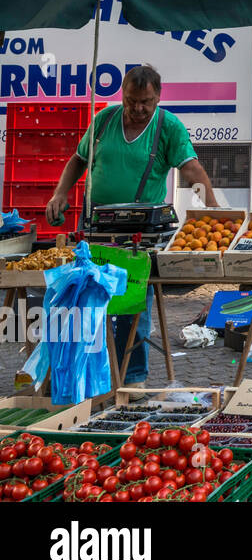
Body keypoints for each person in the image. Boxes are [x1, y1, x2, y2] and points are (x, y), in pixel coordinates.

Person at [43, 64, 217, 387]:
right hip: (95, 231)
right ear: (122, 95)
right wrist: (60, 193)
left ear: (158, 97)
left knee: (132, 308)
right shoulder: (105, 121)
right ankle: (86, 379)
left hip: (139, 242)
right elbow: (78, 160)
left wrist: (217, 212)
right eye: (131, 100)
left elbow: (191, 170)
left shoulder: (168, 128)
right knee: (87, 306)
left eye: (145, 102)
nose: (137, 109)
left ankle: (132, 381)